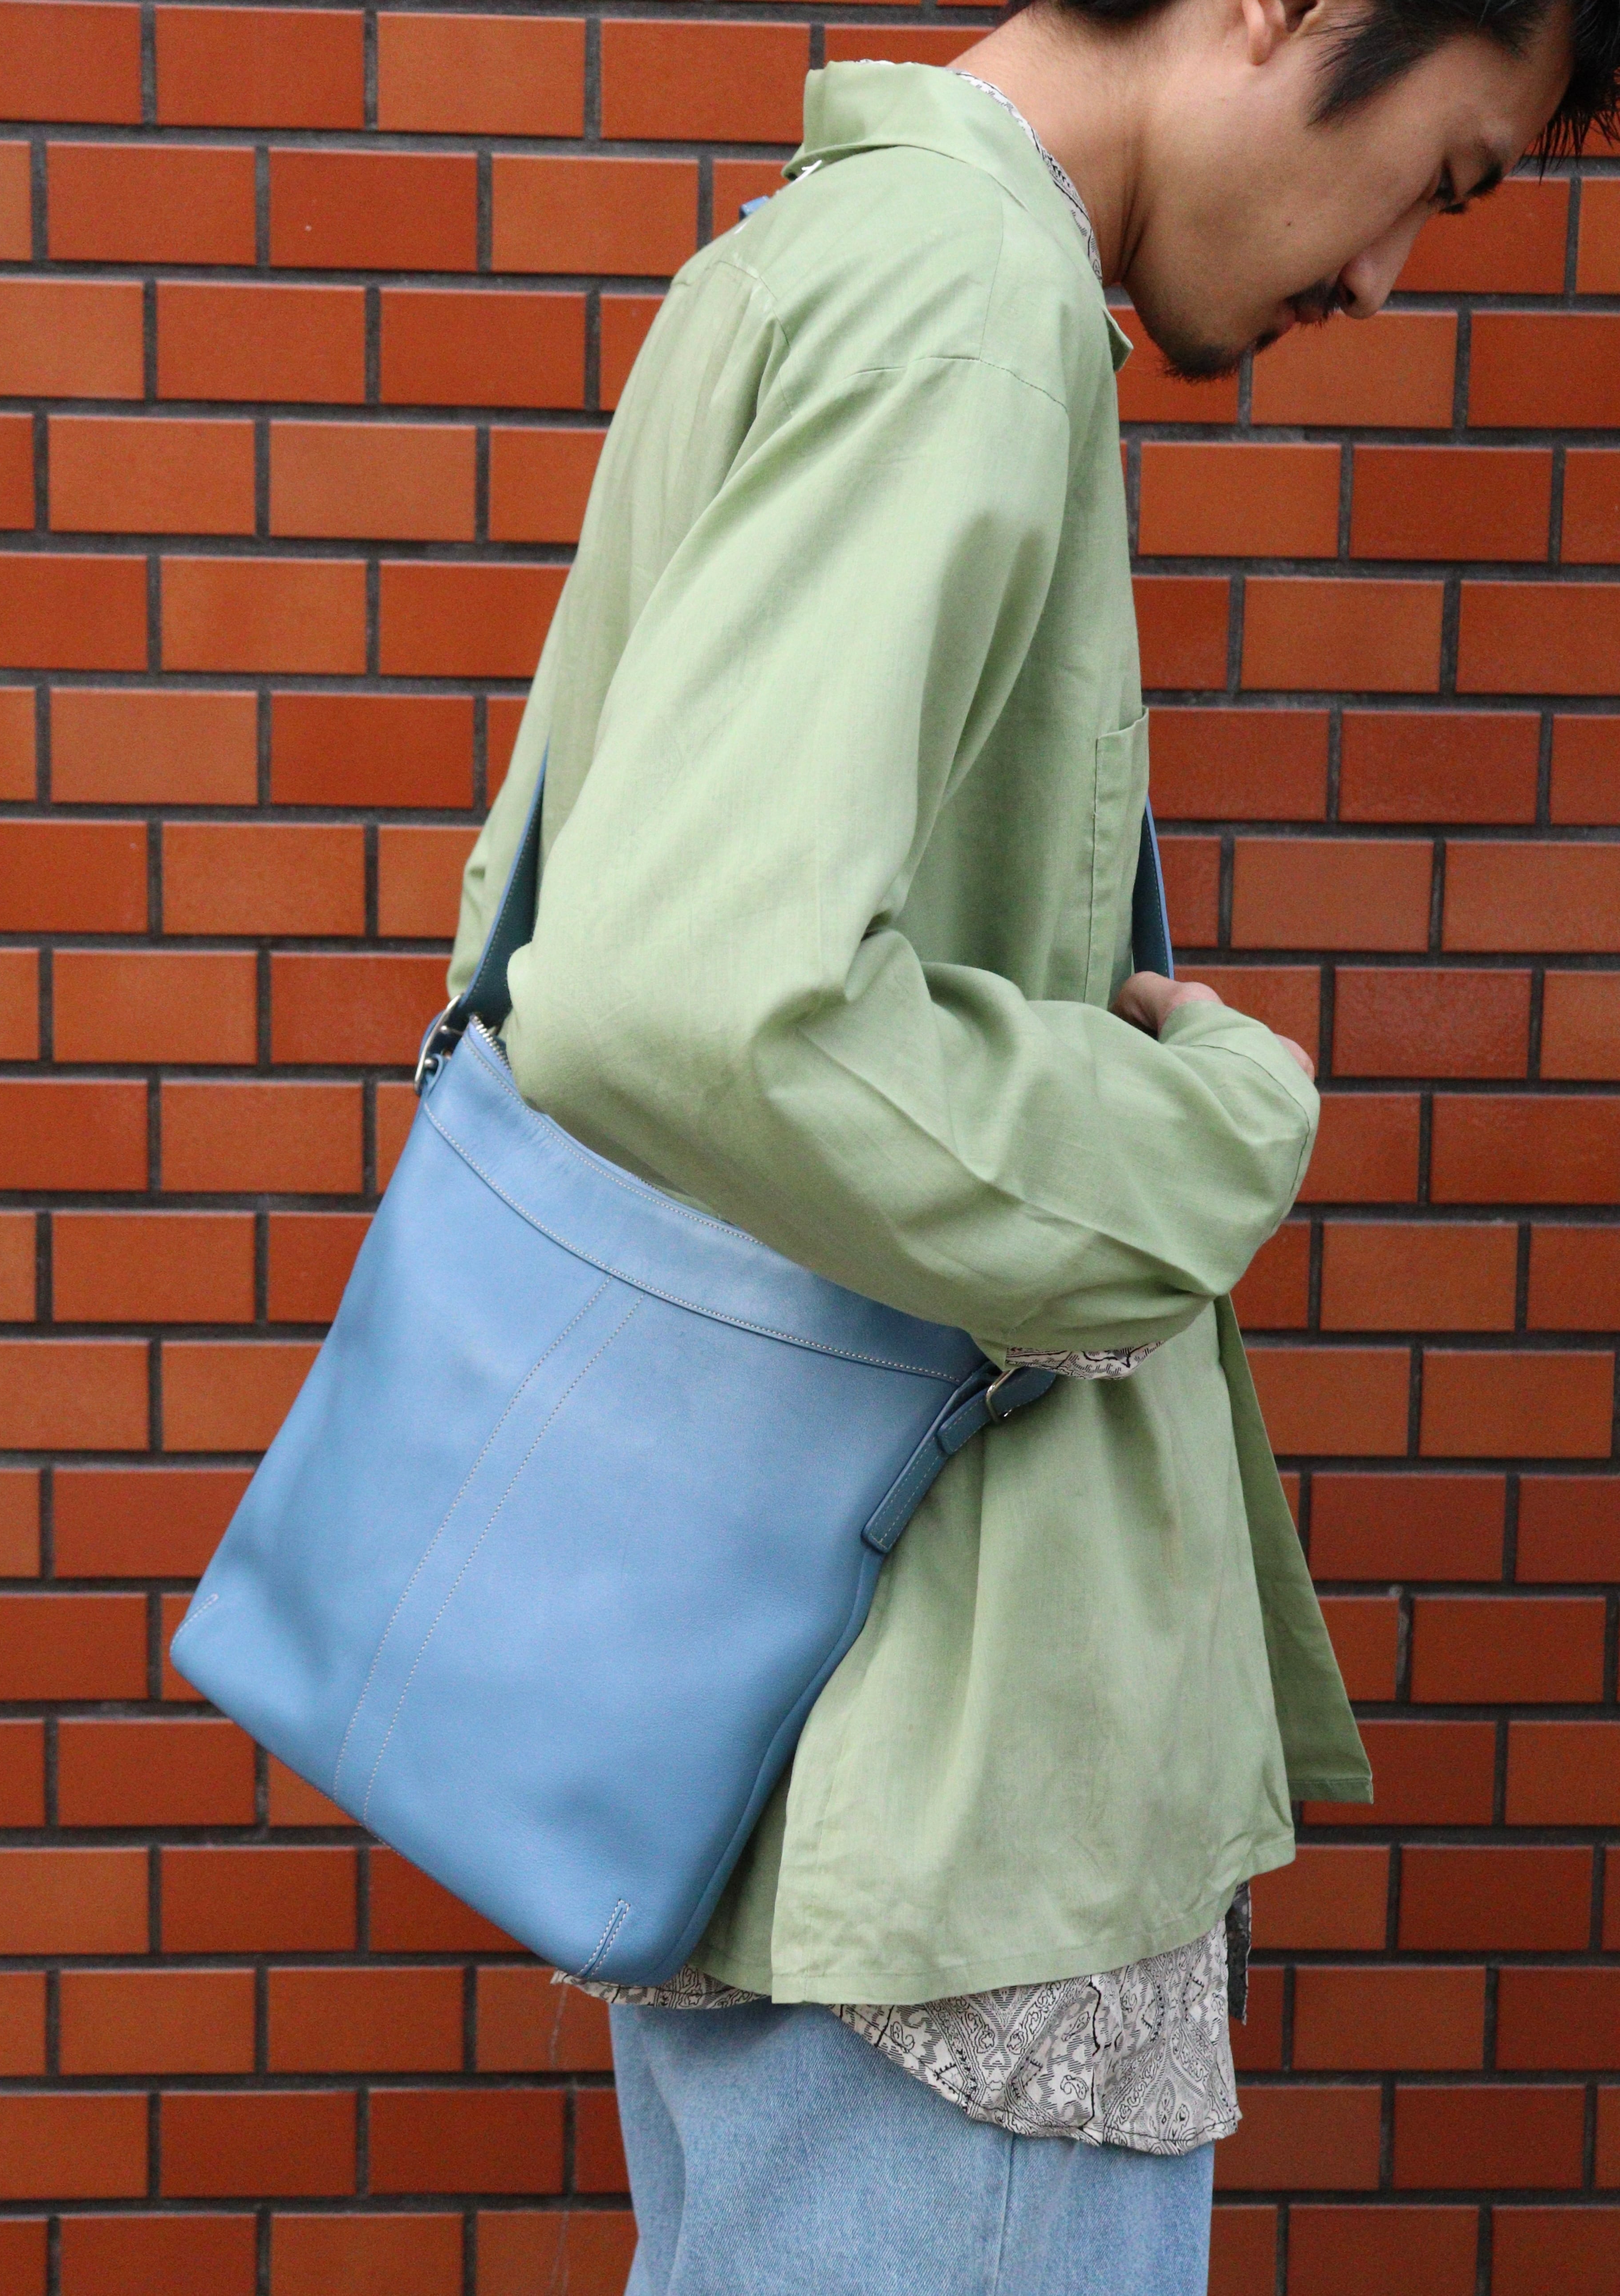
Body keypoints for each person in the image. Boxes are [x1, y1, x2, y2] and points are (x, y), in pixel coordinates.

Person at [447, 0, 1608, 2285]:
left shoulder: (803, 252)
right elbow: (682, 994)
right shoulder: (967, 293)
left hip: (775, 1683)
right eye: (1444, 175)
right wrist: (1204, 1134)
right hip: (952, 1779)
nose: (1387, 276)